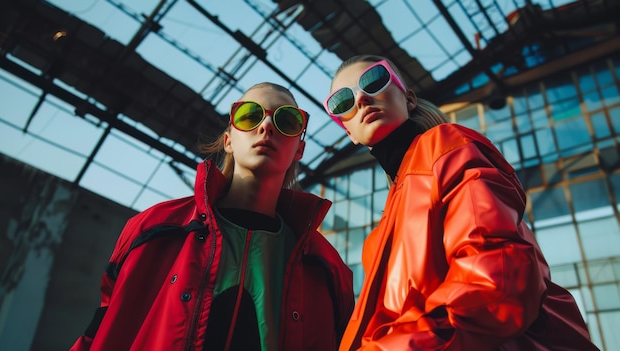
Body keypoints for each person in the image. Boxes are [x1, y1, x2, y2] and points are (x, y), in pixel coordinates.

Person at [324, 54, 599, 351]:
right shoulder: (378, 237)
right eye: (343, 103)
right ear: (349, 132)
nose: (362, 98)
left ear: (409, 99)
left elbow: (493, 282)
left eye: (373, 81)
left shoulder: (447, 147)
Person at [70, 82, 355, 351]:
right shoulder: (154, 228)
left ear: (299, 150)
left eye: (288, 121)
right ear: (228, 141)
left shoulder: (325, 266)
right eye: (249, 115)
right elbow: (100, 331)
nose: (266, 126)